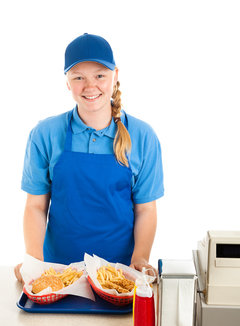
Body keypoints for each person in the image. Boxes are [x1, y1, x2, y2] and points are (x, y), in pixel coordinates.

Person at [14, 33, 164, 283]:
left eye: (100, 75)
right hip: (59, 276)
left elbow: (146, 209)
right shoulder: (45, 134)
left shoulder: (142, 136)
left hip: (119, 277)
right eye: (78, 77)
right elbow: (35, 206)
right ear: (67, 82)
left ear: (115, 75)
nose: (90, 86)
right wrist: (34, 262)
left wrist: (140, 259)